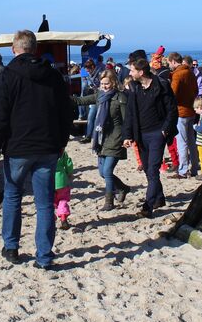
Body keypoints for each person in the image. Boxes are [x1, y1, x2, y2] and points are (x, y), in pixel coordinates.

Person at [0, 30, 74, 270]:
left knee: (14, 197)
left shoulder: (7, 76)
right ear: (33, 49)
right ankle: (43, 256)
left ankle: (12, 247)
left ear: (14, 49)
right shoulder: (53, 75)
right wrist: (62, 141)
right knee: (44, 203)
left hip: (20, 147)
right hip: (46, 146)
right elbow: (67, 111)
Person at [122, 58, 177, 219]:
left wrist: (165, 130)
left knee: (153, 170)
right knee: (147, 169)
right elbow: (130, 114)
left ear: (141, 72)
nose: (130, 73)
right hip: (141, 134)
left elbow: (172, 110)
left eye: (132, 70)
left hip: (157, 134)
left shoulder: (161, 85)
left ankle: (148, 206)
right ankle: (159, 198)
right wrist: (127, 135)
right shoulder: (134, 88)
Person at [73, 69, 131, 211]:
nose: (104, 86)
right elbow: (81, 101)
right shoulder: (100, 95)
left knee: (107, 171)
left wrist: (127, 137)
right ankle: (123, 188)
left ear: (113, 82)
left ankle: (109, 201)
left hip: (116, 138)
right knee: (102, 173)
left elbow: (127, 120)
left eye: (107, 83)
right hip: (101, 138)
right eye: (102, 83)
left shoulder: (120, 97)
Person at [168, 52, 199, 179]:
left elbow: (172, 94)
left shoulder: (177, 75)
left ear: (173, 61)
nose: (169, 65)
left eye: (169, 63)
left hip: (181, 111)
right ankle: (195, 167)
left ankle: (183, 170)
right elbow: (196, 90)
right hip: (191, 109)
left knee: (182, 141)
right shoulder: (190, 72)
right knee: (191, 140)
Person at [54, 152, 74, 230]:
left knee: (49, 202)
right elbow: (68, 163)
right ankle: (63, 218)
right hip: (61, 180)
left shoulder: (45, 150)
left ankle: (50, 219)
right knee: (63, 200)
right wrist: (70, 173)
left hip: (49, 180)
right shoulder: (62, 152)